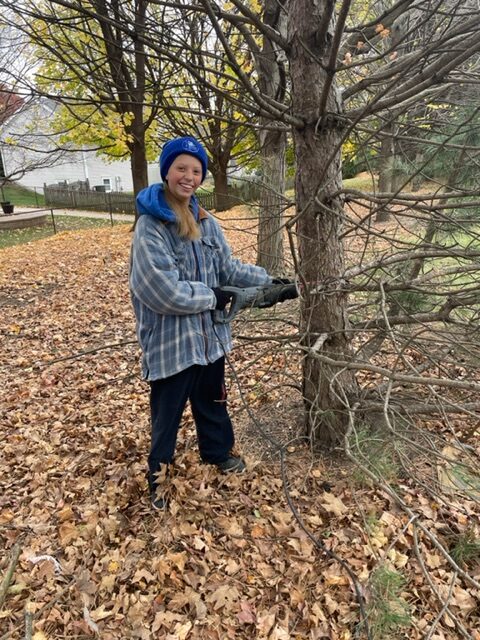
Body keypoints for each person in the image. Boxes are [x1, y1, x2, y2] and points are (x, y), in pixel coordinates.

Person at [130, 136, 280, 510]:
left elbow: (228, 268)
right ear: (167, 171)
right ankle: (159, 481)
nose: (189, 176)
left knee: (213, 402)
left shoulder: (204, 219)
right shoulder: (151, 226)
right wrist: (213, 297)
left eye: (196, 171)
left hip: (209, 337)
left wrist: (268, 281)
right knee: (167, 416)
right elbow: (160, 290)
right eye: (181, 168)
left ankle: (217, 453)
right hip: (172, 341)